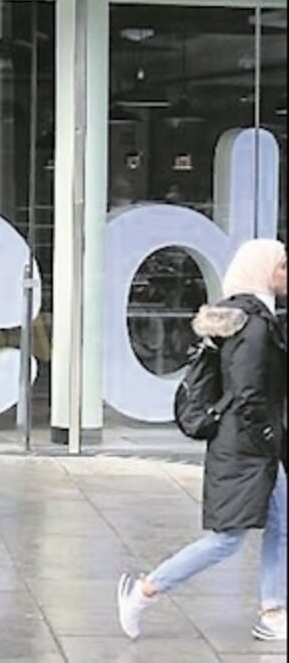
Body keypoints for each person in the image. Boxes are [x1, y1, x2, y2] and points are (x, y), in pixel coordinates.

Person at [117, 239, 288, 642]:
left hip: (252, 443)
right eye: (282, 265)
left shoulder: (247, 317)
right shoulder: (254, 325)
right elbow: (248, 392)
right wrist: (266, 436)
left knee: (282, 524)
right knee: (226, 539)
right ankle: (145, 591)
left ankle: (273, 610)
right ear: (263, 270)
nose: (287, 272)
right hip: (246, 446)